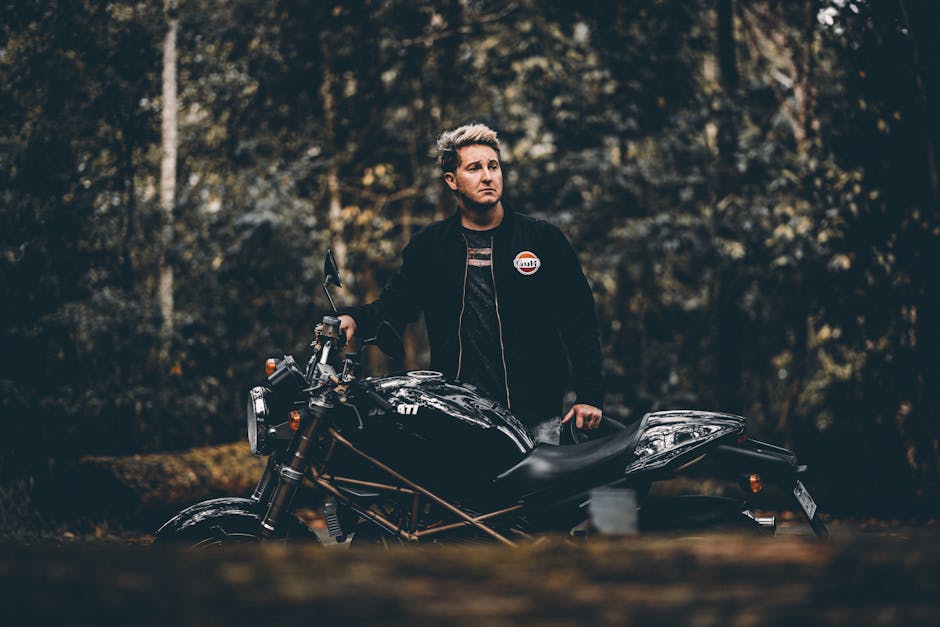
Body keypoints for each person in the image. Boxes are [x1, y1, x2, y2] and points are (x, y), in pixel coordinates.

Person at [337, 123, 603, 444]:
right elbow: (395, 305)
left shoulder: (542, 239)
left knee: (537, 496)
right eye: (474, 168)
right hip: (459, 414)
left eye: (493, 166)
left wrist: (589, 394)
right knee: (458, 496)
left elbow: (579, 319)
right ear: (452, 180)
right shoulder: (431, 245)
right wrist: (353, 317)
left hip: (535, 414)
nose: (488, 176)